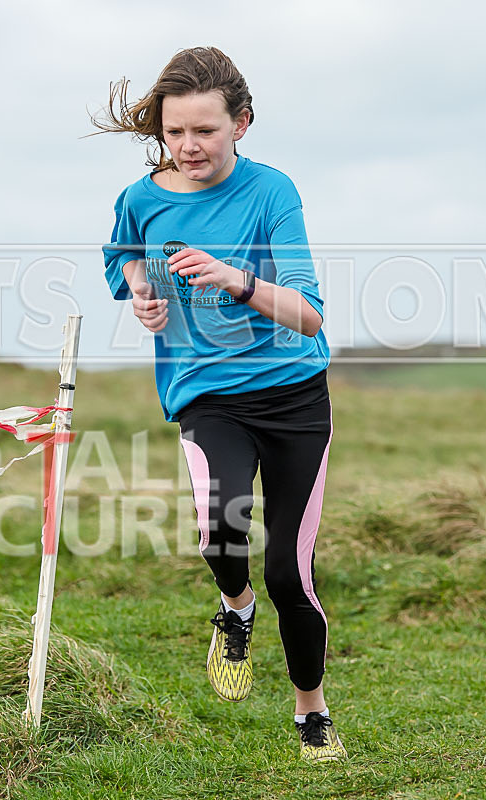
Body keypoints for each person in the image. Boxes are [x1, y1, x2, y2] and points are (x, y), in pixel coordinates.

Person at [97, 47, 346, 762]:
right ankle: (234, 610)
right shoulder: (142, 196)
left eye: (205, 130)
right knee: (220, 537)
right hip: (208, 398)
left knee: (289, 574)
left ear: (241, 123)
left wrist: (236, 279)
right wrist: (141, 287)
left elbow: (309, 315)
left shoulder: (273, 193)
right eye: (176, 132)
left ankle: (311, 711)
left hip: (296, 399)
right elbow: (120, 255)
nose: (189, 146)